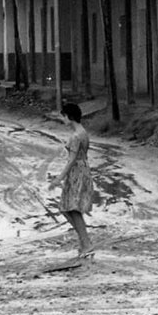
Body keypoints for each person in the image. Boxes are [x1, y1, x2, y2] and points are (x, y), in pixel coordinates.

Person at [47, 102, 94, 257]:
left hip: (76, 173)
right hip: (83, 169)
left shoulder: (75, 136)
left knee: (71, 208)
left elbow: (71, 160)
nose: (63, 120)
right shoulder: (83, 132)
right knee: (70, 208)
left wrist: (59, 178)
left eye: (64, 116)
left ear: (69, 116)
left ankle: (85, 242)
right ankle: (84, 241)